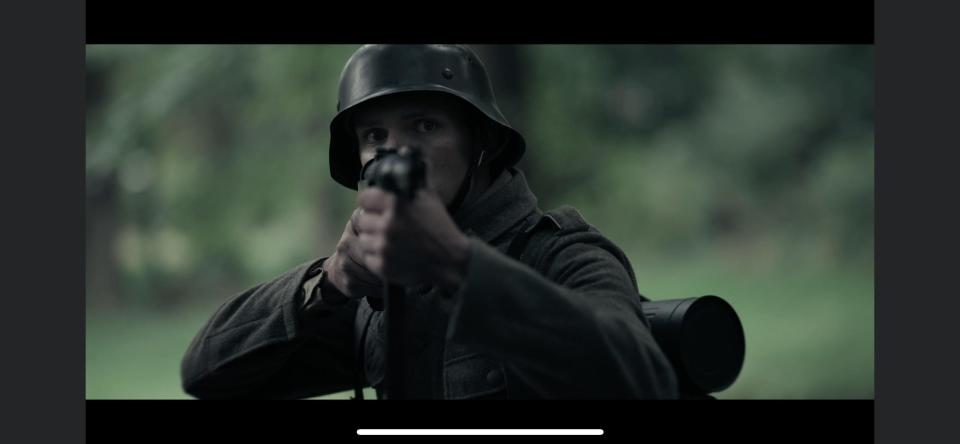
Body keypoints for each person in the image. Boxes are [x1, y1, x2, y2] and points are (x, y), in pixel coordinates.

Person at [180, 44, 679, 399]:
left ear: (480, 142)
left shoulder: (559, 254)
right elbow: (206, 372)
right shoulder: (378, 297)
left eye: (424, 125)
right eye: (375, 135)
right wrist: (328, 281)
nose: (395, 151)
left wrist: (460, 266)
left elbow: (643, 382)